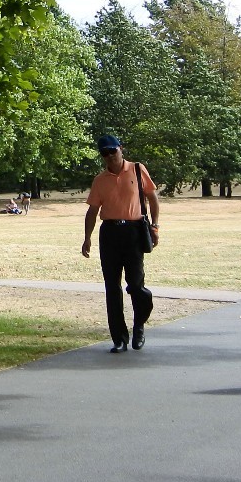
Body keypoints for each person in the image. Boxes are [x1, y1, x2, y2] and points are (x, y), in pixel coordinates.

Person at [81, 136, 160, 353]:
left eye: (112, 151)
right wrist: (87, 238)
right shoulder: (100, 180)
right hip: (110, 232)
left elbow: (152, 198)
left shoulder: (136, 169)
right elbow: (92, 211)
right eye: (104, 153)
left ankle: (139, 325)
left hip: (134, 231)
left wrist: (155, 226)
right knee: (112, 287)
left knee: (136, 285)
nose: (109, 156)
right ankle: (119, 338)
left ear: (120, 149)